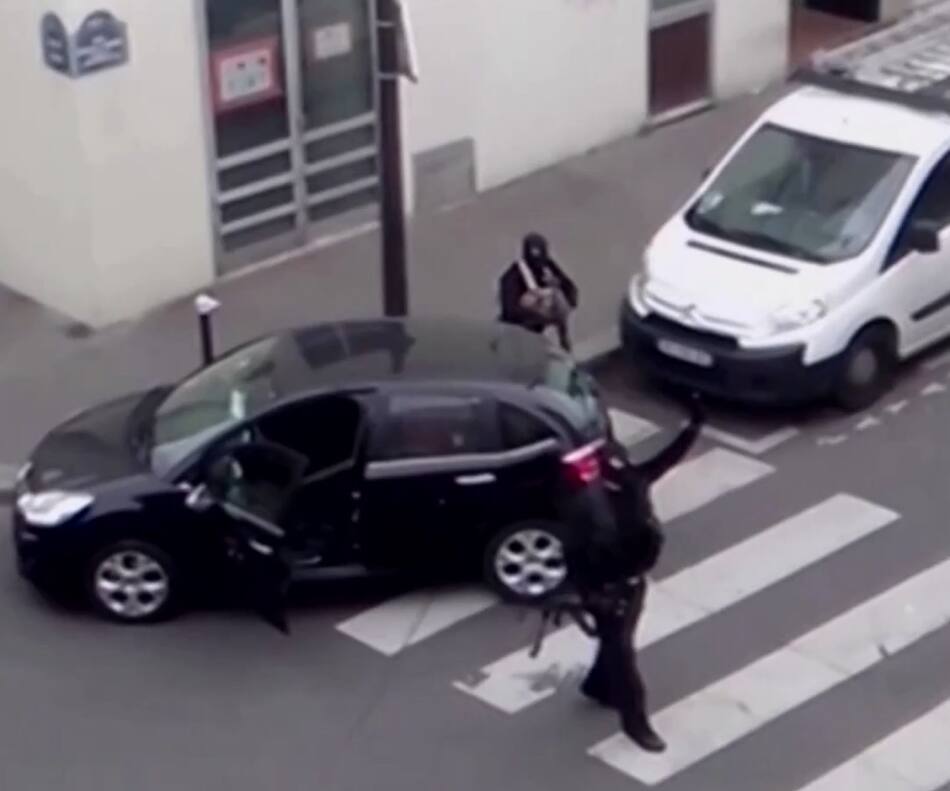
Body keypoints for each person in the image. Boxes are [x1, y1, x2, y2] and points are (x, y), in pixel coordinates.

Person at [544, 391, 705, 753]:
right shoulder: (585, 508)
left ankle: (598, 686)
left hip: (633, 582)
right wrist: (590, 594)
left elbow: (666, 461)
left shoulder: (633, 481)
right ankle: (636, 721)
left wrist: (693, 426)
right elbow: (574, 550)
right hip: (607, 590)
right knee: (623, 655)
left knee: (619, 644)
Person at [498, 233, 579, 352]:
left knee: (558, 298)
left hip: (543, 316)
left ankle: (565, 344)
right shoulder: (512, 277)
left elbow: (570, 288)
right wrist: (534, 308)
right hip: (520, 326)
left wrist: (559, 292)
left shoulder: (548, 267)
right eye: (535, 262)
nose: (539, 266)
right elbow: (509, 311)